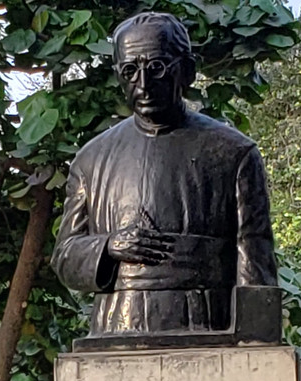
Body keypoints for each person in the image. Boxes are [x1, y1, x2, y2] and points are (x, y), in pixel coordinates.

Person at [52, 11, 276, 336]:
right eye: (130, 71)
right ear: (118, 74)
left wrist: (259, 347)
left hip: (208, 323)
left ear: (186, 70)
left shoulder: (233, 153)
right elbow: (65, 255)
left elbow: (254, 258)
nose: (143, 85)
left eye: (156, 68)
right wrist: (109, 246)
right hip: (119, 326)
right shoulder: (91, 159)